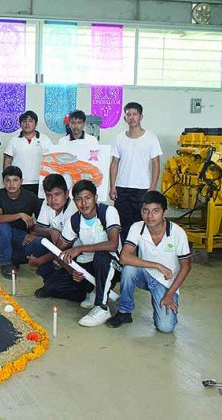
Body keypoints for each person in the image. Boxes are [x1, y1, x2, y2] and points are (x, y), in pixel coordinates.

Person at [107, 191, 191, 333]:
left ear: (164, 212)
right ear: (141, 211)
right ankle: (124, 312)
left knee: (165, 327)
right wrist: (157, 266)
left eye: (155, 211)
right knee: (128, 270)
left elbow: (186, 266)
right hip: (144, 275)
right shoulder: (137, 227)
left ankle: (159, 307)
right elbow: (124, 257)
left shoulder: (177, 233)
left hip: (166, 282)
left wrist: (170, 294)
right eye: (145, 211)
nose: (150, 216)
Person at [53, 180, 121, 327]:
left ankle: (102, 307)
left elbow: (113, 244)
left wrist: (80, 248)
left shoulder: (108, 212)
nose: (84, 203)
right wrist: (72, 271)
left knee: (102, 256)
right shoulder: (74, 220)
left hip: (112, 264)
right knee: (51, 286)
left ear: (95, 198)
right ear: (74, 201)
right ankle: (93, 290)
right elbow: (58, 252)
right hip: (88, 264)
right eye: (79, 199)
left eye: (88, 198)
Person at [109, 102, 163, 242]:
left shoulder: (151, 137)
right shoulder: (119, 138)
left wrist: (152, 187)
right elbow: (114, 163)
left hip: (143, 189)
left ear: (141, 116)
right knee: (123, 223)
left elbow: (156, 163)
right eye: (128, 115)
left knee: (143, 223)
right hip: (122, 188)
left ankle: (142, 250)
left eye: (135, 114)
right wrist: (112, 186)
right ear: (125, 118)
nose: (131, 117)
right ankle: (125, 251)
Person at [26, 174, 79, 292]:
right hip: (56, 249)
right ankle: (48, 277)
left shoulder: (73, 210)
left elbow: (65, 247)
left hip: (72, 252)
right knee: (38, 242)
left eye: (57, 194)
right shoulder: (47, 203)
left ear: (66, 193)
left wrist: (40, 260)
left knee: (72, 289)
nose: (52, 199)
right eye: (49, 195)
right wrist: (51, 231)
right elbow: (38, 228)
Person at [0, 166, 42, 278]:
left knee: (38, 244)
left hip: (22, 236)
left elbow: (42, 221)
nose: (11, 184)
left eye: (15, 180)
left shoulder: (31, 197)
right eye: (8, 180)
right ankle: (6, 264)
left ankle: (14, 258)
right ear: (3, 182)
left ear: (21, 181)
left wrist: (33, 234)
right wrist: (20, 215)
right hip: (1, 235)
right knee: (4, 227)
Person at [3, 111, 53, 195]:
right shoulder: (14, 140)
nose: (27, 123)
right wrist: (6, 179)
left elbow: (52, 160)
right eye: (24, 121)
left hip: (40, 182)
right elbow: (7, 161)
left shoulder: (45, 139)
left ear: (36, 124)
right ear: (20, 124)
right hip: (18, 182)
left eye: (30, 121)